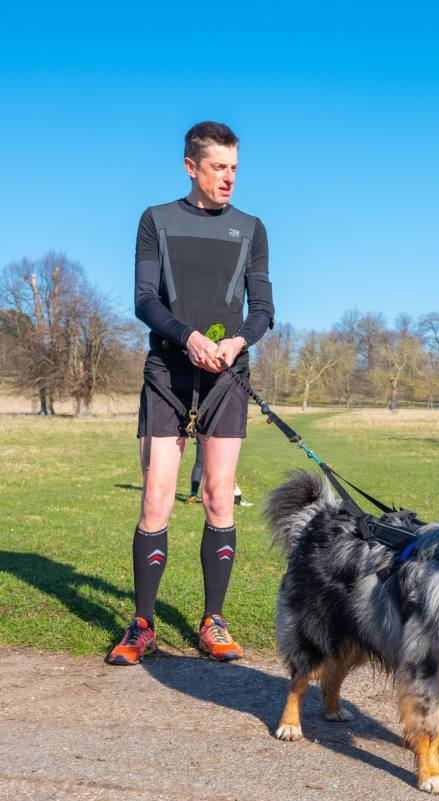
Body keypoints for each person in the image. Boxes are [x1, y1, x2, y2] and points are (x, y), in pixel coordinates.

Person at [108, 121, 274, 665]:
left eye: (234, 168)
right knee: (157, 496)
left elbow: (264, 310)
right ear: (190, 167)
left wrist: (236, 344)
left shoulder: (252, 228)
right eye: (218, 167)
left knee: (219, 494)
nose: (229, 178)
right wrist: (188, 337)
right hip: (168, 370)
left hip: (227, 374)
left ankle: (213, 621)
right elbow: (143, 299)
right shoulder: (156, 220)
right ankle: (142, 625)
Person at [186, 438, 253, 506]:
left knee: (200, 464)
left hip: (203, 432)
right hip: (220, 433)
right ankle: (224, 493)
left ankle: (193, 494)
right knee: (221, 463)